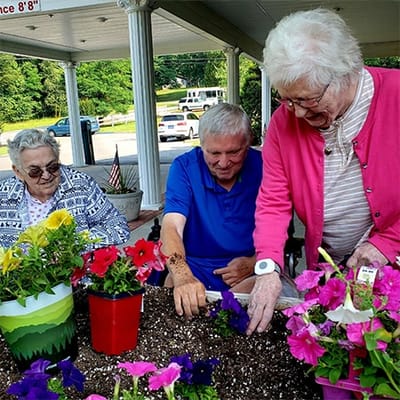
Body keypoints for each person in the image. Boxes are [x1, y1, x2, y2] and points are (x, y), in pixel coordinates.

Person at [247, 8, 400, 335]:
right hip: (330, 271)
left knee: (379, 348)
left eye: (307, 99)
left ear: (347, 72)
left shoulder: (396, 98)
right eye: (287, 99)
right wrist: (268, 268)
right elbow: (274, 202)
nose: (297, 112)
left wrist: (388, 242)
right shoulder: (282, 122)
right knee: (335, 350)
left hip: (391, 264)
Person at [160, 103, 263, 318]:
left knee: (265, 288)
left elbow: (280, 228)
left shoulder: (264, 165)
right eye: (214, 153)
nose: (224, 163)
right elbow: (171, 226)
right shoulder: (185, 167)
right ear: (201, 145)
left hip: (248, 271)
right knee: (172, 286)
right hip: (195, 265)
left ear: (248, 143)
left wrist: (254, 263)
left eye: (234, 152)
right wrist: (183, 275)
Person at [0, 128, 130, 248]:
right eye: (35, 171)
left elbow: (119, 227)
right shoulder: (4, 194)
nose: (46, 175)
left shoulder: (80, 185)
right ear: (18, 172)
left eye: (52, 167)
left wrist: (73, 245)